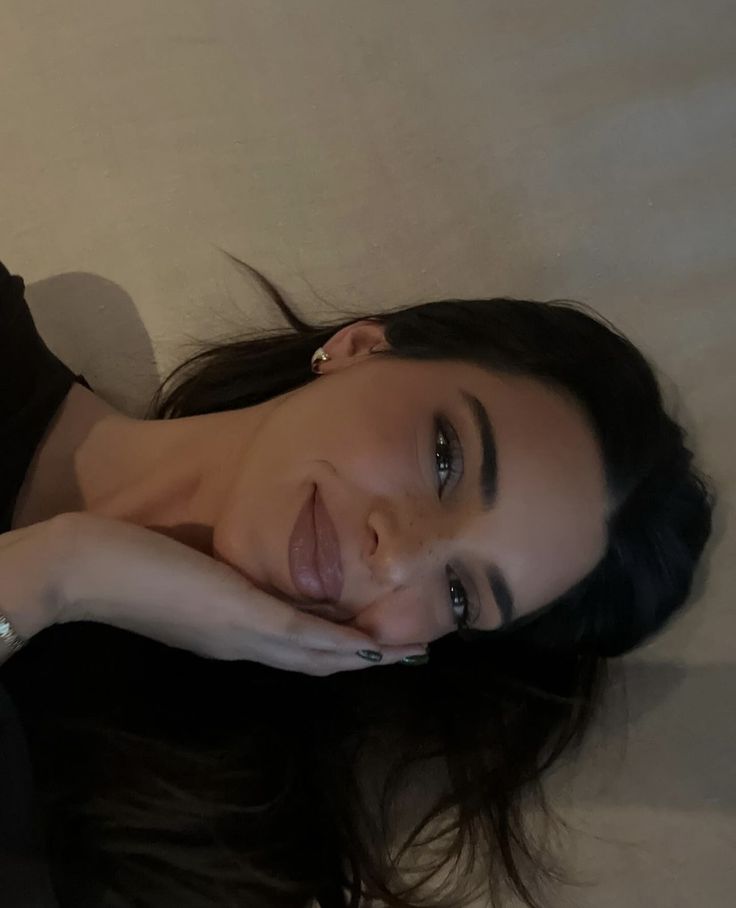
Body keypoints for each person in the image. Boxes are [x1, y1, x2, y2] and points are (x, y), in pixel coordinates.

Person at [0, 254, 714, 908]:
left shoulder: (201, 839)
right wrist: (61, 567)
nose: (397, 558)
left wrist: (69, 575)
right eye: (445, 459)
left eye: (460, 594)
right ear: (358, 347)